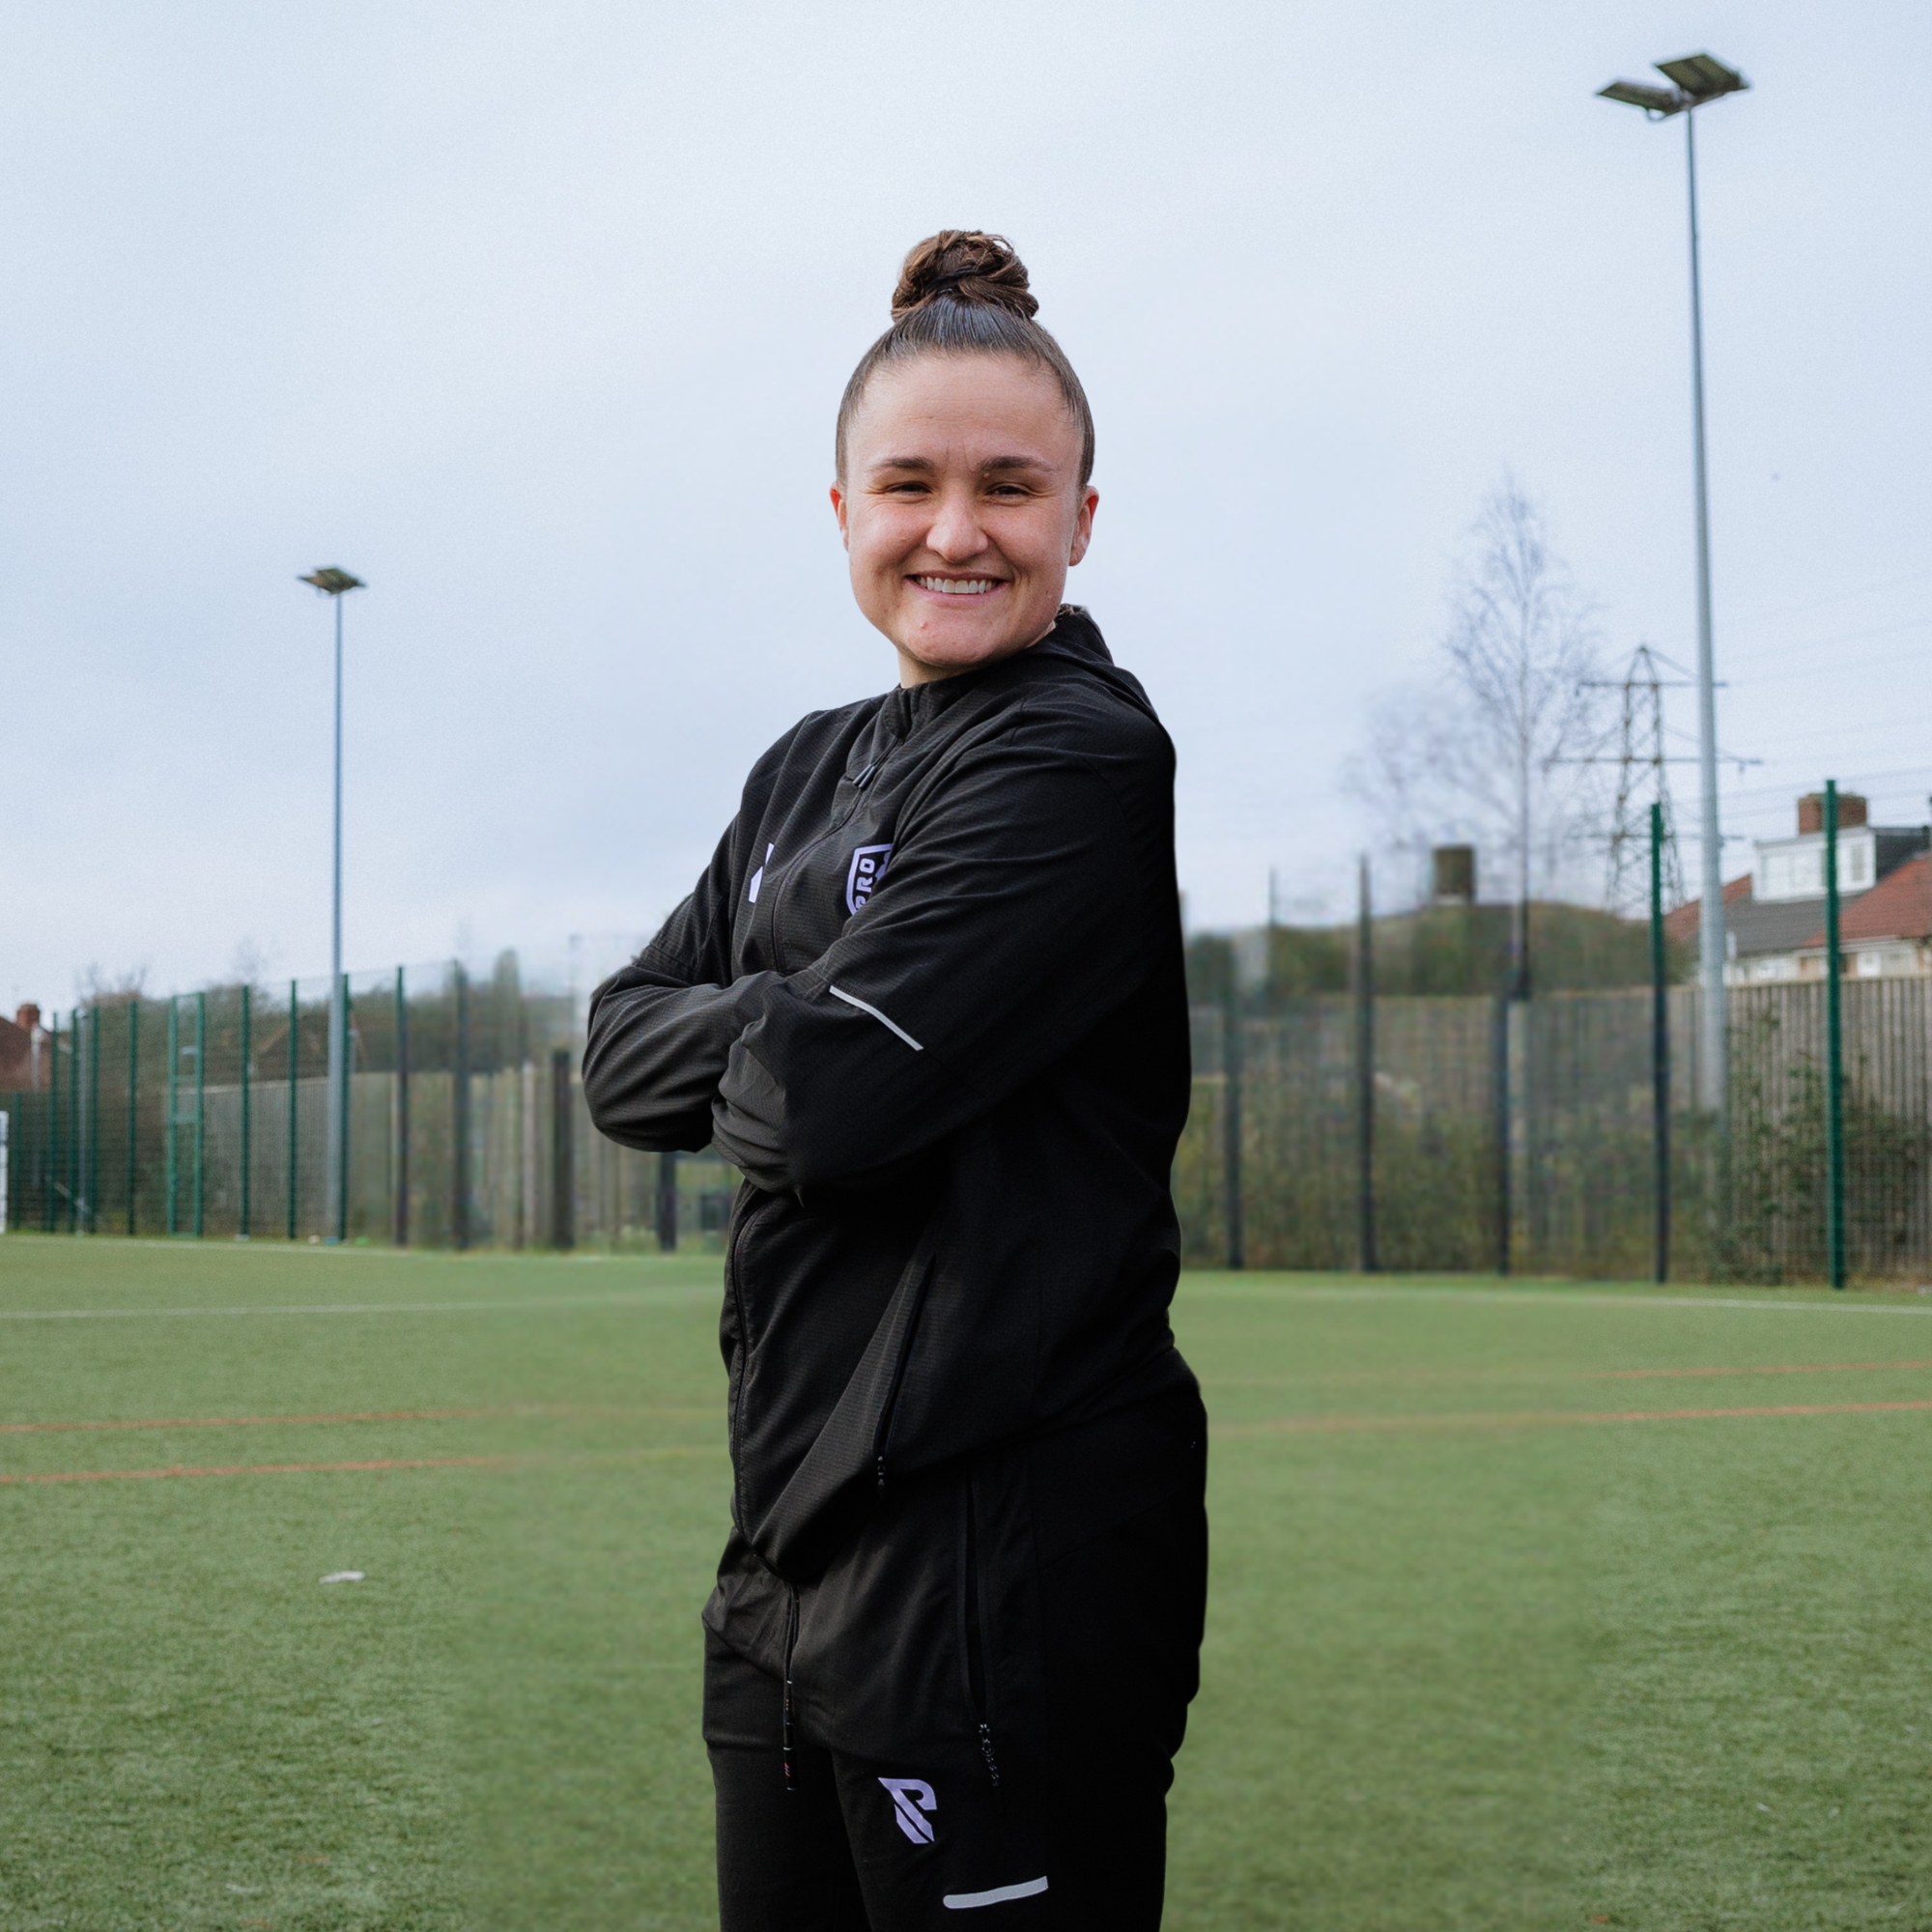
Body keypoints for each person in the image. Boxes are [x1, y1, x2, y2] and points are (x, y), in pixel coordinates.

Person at [582, 230, 1207, 1930]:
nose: (955, 530)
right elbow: (617, 1053)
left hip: (1009, 1539)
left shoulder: (1077, 755)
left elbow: (822, 1108)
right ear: (842, 508)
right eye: (909, 483)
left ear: (1082, 518)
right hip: (785, 1530)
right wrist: (804, 1015)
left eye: (1011, 486)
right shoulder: (807, 764)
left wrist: (780, 1019)